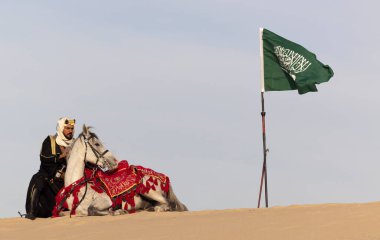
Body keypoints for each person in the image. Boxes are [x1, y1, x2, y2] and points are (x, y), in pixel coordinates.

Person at [25, 117, 75, 219]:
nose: (70, 131)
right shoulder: (50, 141)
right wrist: (61, 156)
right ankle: (31, 211)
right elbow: (44, 158)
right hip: (49, 181)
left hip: (64, 186)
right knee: (37, 178)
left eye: (72, 128)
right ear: (61, 128)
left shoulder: (76, 144)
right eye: (67, 128)